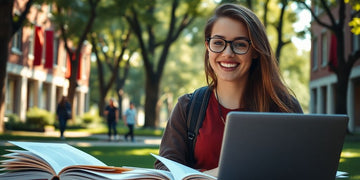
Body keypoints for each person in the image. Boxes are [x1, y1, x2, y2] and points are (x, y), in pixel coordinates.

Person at [154, 3, 303, 176]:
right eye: (218, 42)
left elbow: (301, 169)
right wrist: (219, 174)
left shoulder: (284, 107)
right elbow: (166, 173)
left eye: (239, 44)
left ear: (255, 50)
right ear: (207, 47)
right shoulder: (187, 107)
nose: (227, 53)